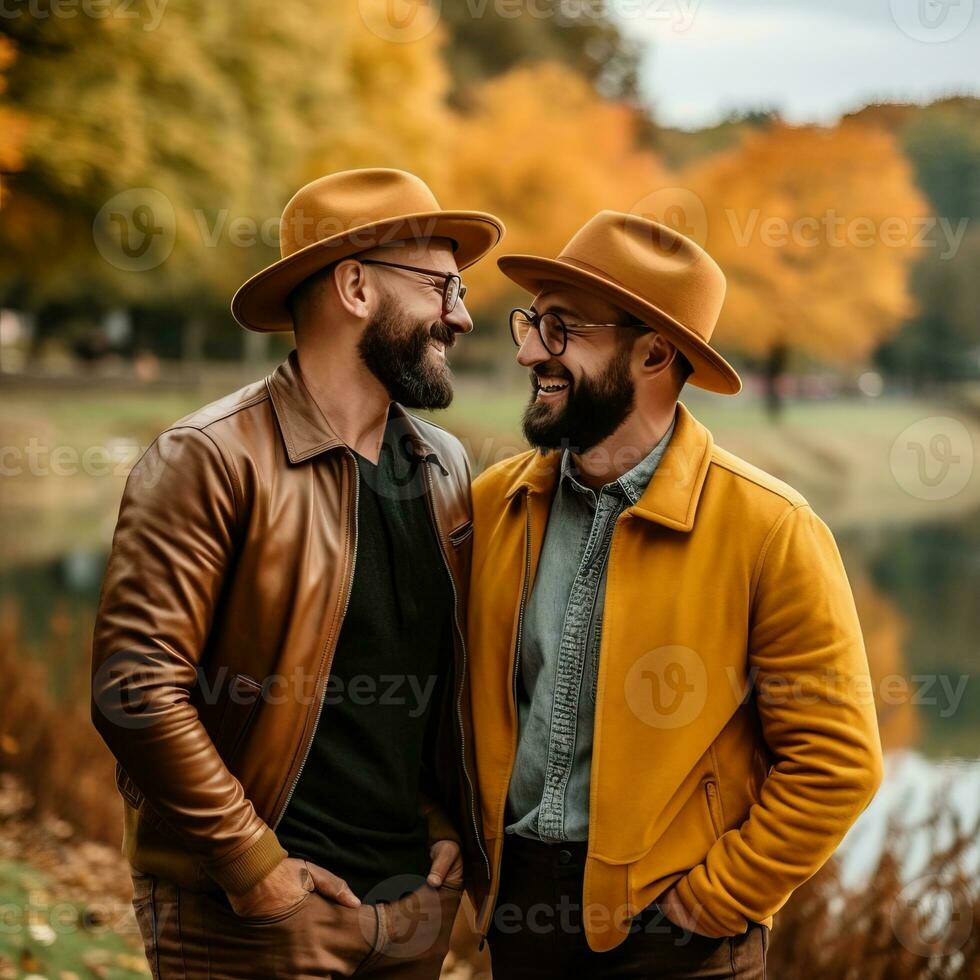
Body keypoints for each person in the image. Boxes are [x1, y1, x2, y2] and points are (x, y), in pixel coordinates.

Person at [91, 168, 504, 978]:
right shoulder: (209, 459)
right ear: (354, 285)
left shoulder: (446, 467)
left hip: (413, 914)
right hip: (255, 920)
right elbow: (136, 686)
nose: (461, 314)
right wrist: (253, 868)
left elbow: (426, 677)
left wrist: (441, 822)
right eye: (442, 286)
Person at [465, 211, 884, 978]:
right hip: (517, 923)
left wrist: (719, 899)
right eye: (531, 324)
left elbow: (837, 762)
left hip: (680, 944)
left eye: (562, 329)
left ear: (655, 351)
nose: (528, 350)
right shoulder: (492, 505)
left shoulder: (771, 529)